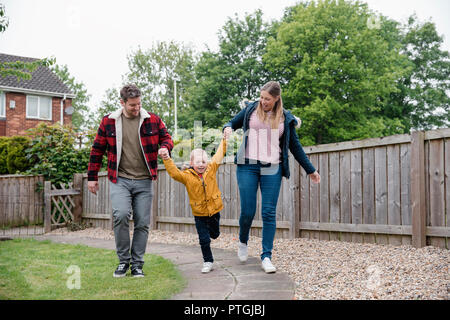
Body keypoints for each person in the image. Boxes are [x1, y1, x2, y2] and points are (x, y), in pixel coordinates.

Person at [223, 81, 320, 273]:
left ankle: (266, 256)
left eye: (267, 99)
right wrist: (227, 128)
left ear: (276, 99)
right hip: (247, 165)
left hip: (272, 168)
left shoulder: (286, 118)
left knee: (268, 212)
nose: (263, 101)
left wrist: (311, 170)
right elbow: (232, 123)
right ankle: (243, 241)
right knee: (248, 211)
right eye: (261, 97)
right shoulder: (251, 109)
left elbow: (295, 147)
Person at [87, 84, 173, 278]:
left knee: (142, 222)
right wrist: (92, 177)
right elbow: (97, 150)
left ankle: (137, 265)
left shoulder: (152, 120)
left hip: (144, 180)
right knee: (121, 215)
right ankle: (123, 261)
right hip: (120, 179)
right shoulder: (108, 122)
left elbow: (167, 138)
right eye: (133, 105)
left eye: (139, 104)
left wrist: (166, 147)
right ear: (122, 103)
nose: (137, 108)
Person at [160, 135, 228, 273]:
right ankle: (208, 261)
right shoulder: (186, 176)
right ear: (192, 163)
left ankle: (212, 234)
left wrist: (225, 140)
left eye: (204, 161)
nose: (201, 164)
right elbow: (174, 173)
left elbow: (219, 154)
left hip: (215, 210)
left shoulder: (211, 168)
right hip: (200, 214)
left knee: (214, 234)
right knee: (204, 239)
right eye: (198, 162)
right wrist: (166, 159)